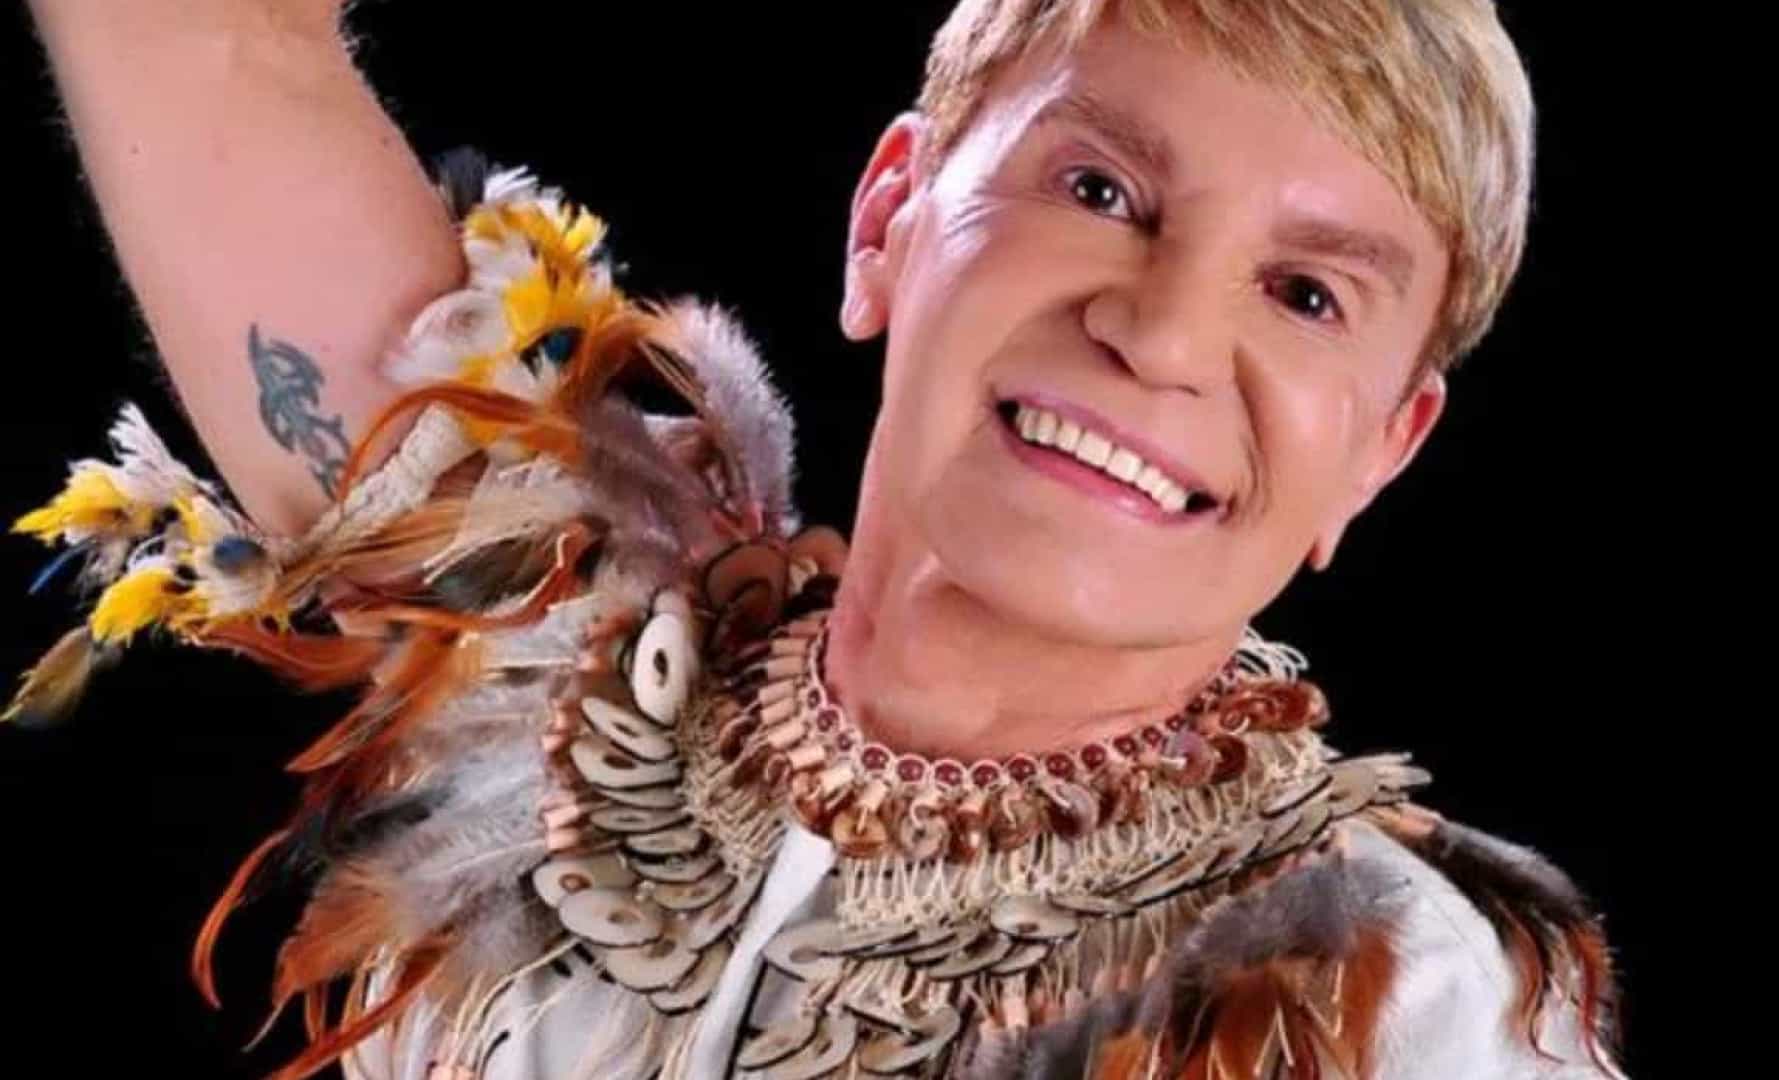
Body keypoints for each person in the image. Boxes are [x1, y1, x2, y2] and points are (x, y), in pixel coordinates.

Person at [13, 0, 1624, 1076]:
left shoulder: (1397, 1009)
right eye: (1098, 189)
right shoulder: (546, 641)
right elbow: (193, 47)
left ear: (1382, 453)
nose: (1167, 335)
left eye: (1308, 294)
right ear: (886, 220)